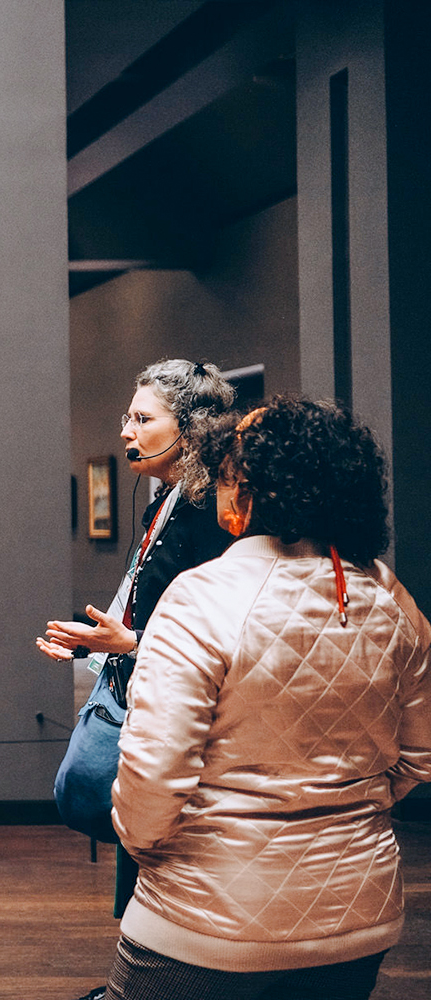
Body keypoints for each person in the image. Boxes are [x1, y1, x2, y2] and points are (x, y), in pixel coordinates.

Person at [105, 397, 431, 999]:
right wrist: (348, 810)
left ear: (253, 491)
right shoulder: (390, 596)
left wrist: (152, 848)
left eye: (226, 476)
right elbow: (420, 756)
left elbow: (152, 777)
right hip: (357, 915)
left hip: (205, 921)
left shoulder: (200, 596)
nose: (218, 491)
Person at [37, 359, 234, 1000]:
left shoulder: (212, 511)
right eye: (129, 416)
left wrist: (130, 644)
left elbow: (225, 636)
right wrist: (102, 646)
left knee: (157, 841)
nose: (126, 430)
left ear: (194, 428)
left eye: (143, 419)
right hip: (141, 684)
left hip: (180, 700)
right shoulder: (166, 494)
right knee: (138, 837)